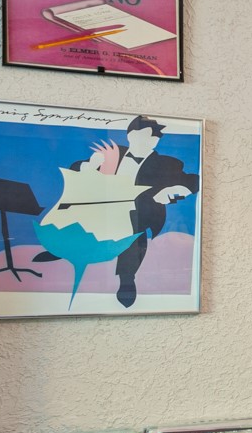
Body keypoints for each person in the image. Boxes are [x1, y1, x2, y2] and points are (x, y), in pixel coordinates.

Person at [77, 116, 197, 308]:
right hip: (104, 210)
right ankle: (63, 250)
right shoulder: (113, 154)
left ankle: (126, 280)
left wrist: (175, 189)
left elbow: (194, 180)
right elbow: (75, 168)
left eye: (155, 137)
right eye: (147, 135)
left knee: (134, 234)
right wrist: (90, 165)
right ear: (131, 136)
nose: (152, 141)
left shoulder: (167, 164)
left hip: (139, 214)